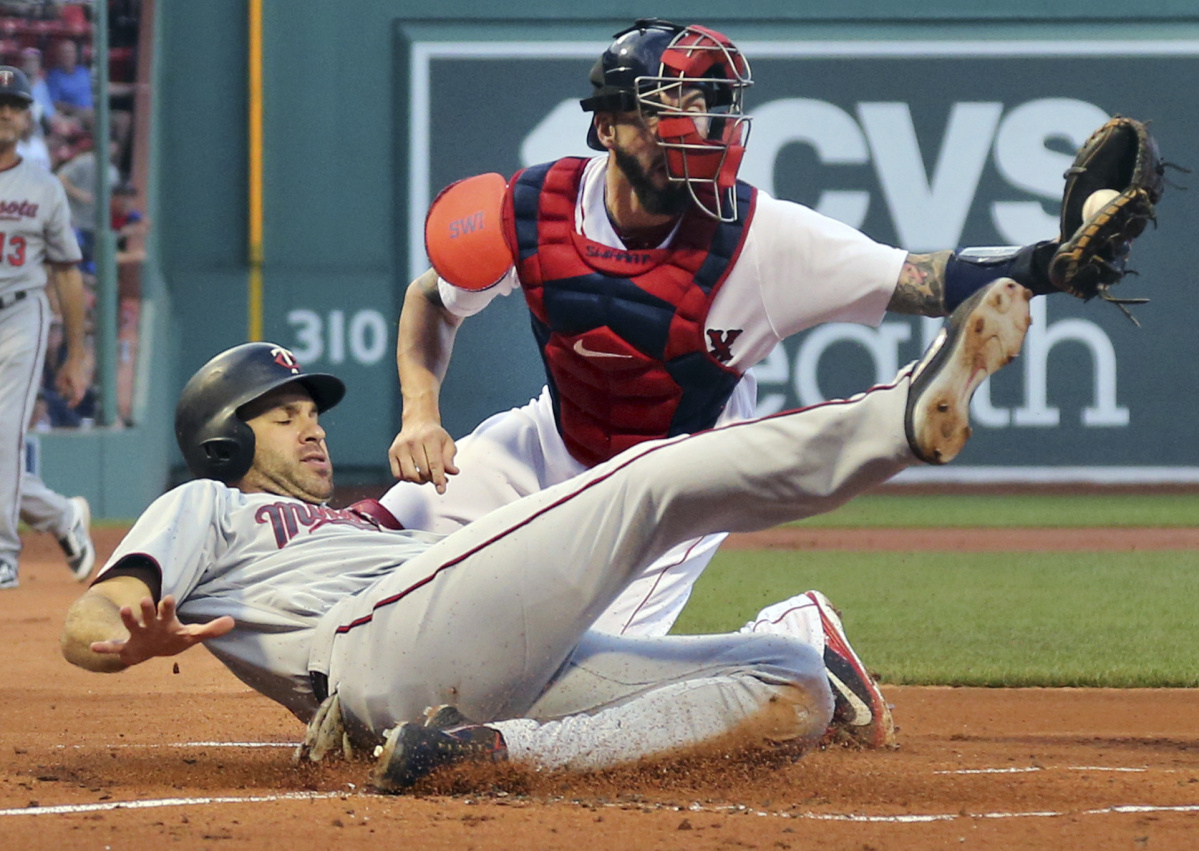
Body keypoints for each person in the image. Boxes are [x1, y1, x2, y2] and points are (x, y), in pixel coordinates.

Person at [59, 287, 1031, 791]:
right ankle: (896, 417)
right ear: (226, 437)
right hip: (368, 653)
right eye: (279, 414)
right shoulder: (212, 507)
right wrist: (118, 635)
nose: (309, 422)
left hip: (475, 674)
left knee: (794, 684)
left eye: (310, 406)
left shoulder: (356, 515)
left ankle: (491, 754)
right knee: (644, 478)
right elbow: (95, 610)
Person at [382, 19, 1063, 647]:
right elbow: (430, 300)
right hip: (547, 443)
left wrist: (1050, 262)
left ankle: (797, 641)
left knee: (566, 669)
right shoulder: (534, 209)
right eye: (666, 106)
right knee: (375, 543)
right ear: (608, 126)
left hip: (671, 484)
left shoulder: (761, 238)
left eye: (703, 105)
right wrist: (419, 412)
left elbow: (922, 279)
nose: (693, 126)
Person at [0, 65, 88, 589]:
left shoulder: (44, 186)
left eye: (14, 103)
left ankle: (4, 555)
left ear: (27, 115)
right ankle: (60, 516)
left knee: (4, 432)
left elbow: (67, 273)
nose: (5, 112)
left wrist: (75, 354)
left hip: (20, 311)